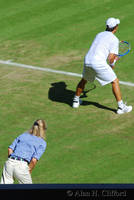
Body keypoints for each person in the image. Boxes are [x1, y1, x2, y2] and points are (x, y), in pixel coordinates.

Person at [72, 17, 132, 114]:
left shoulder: (99, 34)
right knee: (115, 81)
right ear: (115, 27)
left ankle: (75, 101)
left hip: (87, 60)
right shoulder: (114, 39)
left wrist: (112, 60)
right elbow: (110, 59)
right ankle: (121, 107)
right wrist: (113, 63)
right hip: (97, 62)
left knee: (84, 79)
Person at [1, 119, 47, 184]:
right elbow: (34, 160)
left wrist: (11, 161)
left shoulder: (23, 135)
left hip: (9, 163)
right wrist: (28, 171)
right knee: (28, 190)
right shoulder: (42, 143)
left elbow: (10, 149)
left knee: (4, 189)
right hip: (21, 165)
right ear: (43, 129)